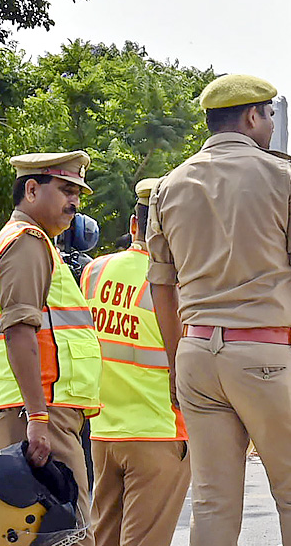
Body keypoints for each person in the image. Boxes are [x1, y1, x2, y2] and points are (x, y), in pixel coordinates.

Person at [148, 74, 291, 546]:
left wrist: (178, 360)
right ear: (253, 116)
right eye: (270, 115)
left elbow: (161, 287)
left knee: (213, 502)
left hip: (196, 353)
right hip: (264, 355)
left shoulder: (170, 186)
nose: (272, 124)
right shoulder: (281, 177)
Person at [0, 151, 103, 546]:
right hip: (37, 410)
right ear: (31, 189)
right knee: (70, 536)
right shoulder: (27, 243)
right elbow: (19, 331)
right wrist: (37, 417)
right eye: (66, 190)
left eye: (79, 193)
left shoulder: (35, 244)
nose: (75, 202)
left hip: (37, 407)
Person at [81, 178, 189, 546]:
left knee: (103, 538)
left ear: (133, 224)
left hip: (103, 431)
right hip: (159, 431)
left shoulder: (94, 271)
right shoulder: (179, 283)